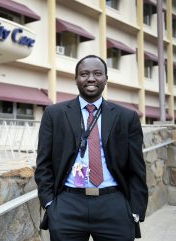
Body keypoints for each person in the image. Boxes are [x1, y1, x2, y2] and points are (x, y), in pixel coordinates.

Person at [35, 55, 148, 241]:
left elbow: (137, 168)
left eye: (97, 73)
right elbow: (43, 164)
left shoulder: (127, 117)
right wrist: (50, 204)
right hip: (68, 205)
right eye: (84, 74)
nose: (91, 78)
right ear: (76, 78)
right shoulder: (54, 114)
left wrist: (135, 210)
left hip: (114, 205)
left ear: (106, 79)